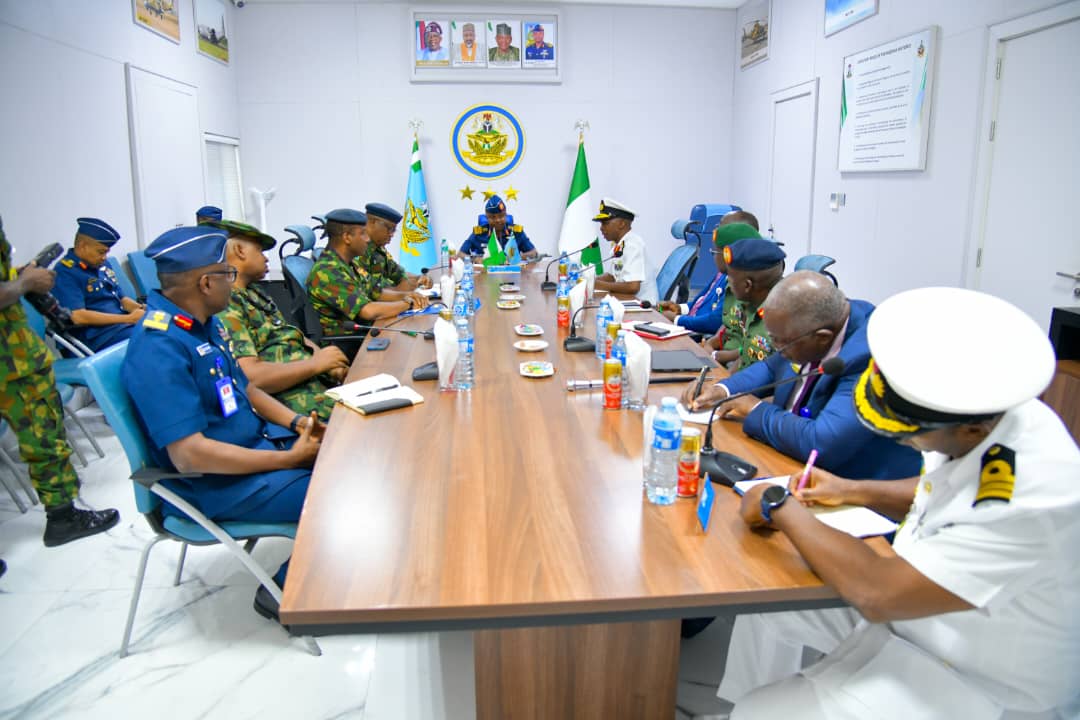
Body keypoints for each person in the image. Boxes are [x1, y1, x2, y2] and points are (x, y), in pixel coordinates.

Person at [721, 287, 1080, 719]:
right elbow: (943, 485)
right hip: (922, 622)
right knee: (769, 602)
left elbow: (879, 593)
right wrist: (853, 490)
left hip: (980, 678)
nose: (908, 443)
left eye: (909, 436)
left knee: (760, 713)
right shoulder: (988, 412)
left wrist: (781, 503)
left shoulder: (1035, 490)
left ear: (970, 430)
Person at [123, 225, 323, 623]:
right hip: (217, 484)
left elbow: (246, 389)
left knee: (347, 455)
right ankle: (285, 593)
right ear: (205, 282)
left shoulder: (203, 324)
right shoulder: (159, 348)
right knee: (339, 494)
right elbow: (189, 455)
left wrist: (298, 421)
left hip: (255, 450)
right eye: (226, 274)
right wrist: (287, 462)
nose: (233, 281)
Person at [683, 270, 921, 480]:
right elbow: (770, 366)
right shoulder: (811, 325)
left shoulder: (867, 355)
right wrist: (723, 390)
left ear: (823, 336)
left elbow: (821, 444)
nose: (777, 349)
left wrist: (753, 408)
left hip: (857, 489)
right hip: (793, 463)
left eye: (782, 343)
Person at [0, 216, 119, 547]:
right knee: (43, 436)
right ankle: (64, 518)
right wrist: (24, 285)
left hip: (14, 352)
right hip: (12, 362)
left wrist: (20, 276)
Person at [214, 219, 348, 422]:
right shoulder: (226, 304)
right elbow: (251, 377)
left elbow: (291, 335)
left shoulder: (254, 292)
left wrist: (328, 363)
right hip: (293, 403)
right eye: (259, 250)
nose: (266, 258)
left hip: (315, 384)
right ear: (240, 251)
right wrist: (316, 364)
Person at [307, 208, 428, 338]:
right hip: (350, 344)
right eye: (363, 234)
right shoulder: (327, 271)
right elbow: (367, 311)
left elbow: (376, 293)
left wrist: (409, 295)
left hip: (367, 332)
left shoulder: (348, 263)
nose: (367, 239)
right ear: (347, 237)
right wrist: (408, 304)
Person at [658, 214, 760, 336]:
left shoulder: (738, 280)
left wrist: (676, 319)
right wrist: (680, 308)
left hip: (699, 333)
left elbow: (716, 321)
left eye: (722, 228)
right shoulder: (724, 273)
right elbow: (701, 301)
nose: (716, 231)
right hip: (693, 327)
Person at [52, 217, 145, 351]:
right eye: (101, 252)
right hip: (95, 337)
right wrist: (128, 319)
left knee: (168, 327)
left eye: (106, 252)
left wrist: (143, 308)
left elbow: (122, 299)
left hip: (120, 327)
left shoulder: (101, 264)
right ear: (83, 246)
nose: (104, 257)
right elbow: (78, 316)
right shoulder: (65, 272)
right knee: (150, 340)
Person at [706, 234, 785, 370]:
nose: (728, 281)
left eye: (730, 277)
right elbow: (746, 357)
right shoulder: (751, 307)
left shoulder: (776, 323)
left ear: (747, 285)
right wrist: (722, 384)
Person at [592, 197, 659, 305]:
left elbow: (633, 287)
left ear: (621, 224)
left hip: (642, 306)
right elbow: (612, 276)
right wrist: (588, 280)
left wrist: (596, 284)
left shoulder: (633, 245)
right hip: (626, 300)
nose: (601, 228)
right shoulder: (619, 244)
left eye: (605, 223)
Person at [359, 202, 433, 292]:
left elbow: (398, 273)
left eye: (394, 230)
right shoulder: (358, 249)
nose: (392, 234)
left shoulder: (378, 247)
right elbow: (368, 290)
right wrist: (399, 290)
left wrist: (419, 278)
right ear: (372, 222)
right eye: (390, 229)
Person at [459, 195, 538, 261]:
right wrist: (476, 259)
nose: (497, 220)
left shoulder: (516, 232)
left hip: (511, 275)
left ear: (506, 215)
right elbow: (460, 255)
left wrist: (514, 258)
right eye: (493, 217)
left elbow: (533, 253)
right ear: (486, 217)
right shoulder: (479, 233)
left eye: (501, 216)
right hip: (485, 275)